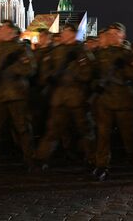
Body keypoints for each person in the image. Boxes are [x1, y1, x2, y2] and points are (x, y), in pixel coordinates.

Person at [0, 20, 36, 168]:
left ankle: (30, 158)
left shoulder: (21, 49)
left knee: (22, 127)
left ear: (10, 31)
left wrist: (13, 69)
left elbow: (30, 69)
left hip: (16, 93)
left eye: (1, 29)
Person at [36, 24, 95, 168]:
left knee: (84, 130)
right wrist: (48, 77)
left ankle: (93, 159)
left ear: (72, 34)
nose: (61, 34)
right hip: (59, 97)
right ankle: (41, 158)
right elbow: (45, 70)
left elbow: (88, 73)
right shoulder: (56, 51)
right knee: (53, 129)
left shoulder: (81, 51)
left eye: (64, 32)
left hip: (76, 96)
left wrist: (75, 70)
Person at [92, 23, 133, 181]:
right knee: (103, 135)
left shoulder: (128, 54)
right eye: (111, 33)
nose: (113, 36)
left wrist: (126, 68)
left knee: (128, 135)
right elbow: (92, 73)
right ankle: (102, 166)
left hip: (123, 100)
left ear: (123, 36)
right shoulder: (101, 54)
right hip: (105, 100)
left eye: (117, 33)